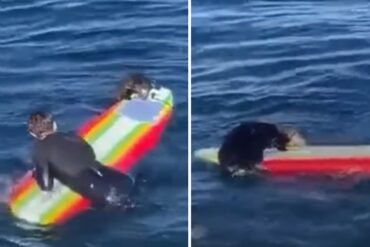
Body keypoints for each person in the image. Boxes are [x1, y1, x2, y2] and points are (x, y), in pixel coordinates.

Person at [28, 111, 135, 209]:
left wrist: (45, 187)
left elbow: (46, 185)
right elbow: (90, 153)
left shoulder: (39, 150)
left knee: (117, 204)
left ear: (32, 133)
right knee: (126, 198)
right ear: (55, 125)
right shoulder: (71, 136)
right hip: (114, 176)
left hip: (95, 191)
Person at [218, 121, 306, 176]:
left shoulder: (251, 127)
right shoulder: (271, 131)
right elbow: (280, 146)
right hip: (243, 160)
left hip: (223, 156)